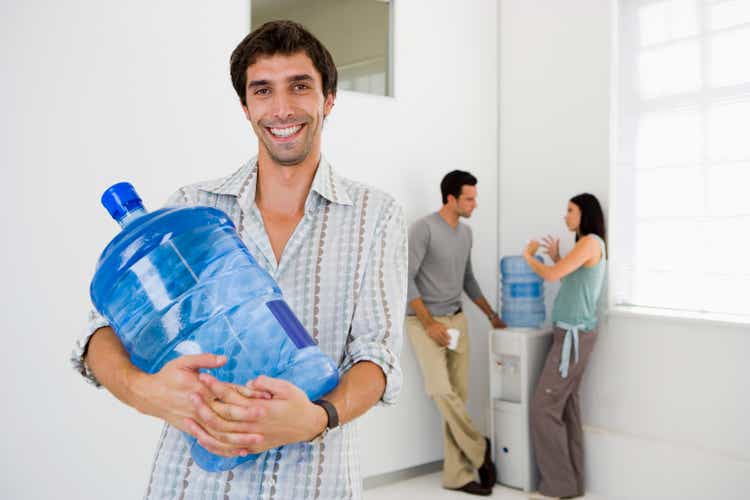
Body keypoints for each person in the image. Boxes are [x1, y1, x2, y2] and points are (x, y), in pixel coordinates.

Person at [70, 20, 407, 500]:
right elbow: (98, 332)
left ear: (328, 99)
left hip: (313, 483)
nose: (282, 108)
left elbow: (378, 355)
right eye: (263, 90)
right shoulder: (191, 210)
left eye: (300, 86)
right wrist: (145, 392)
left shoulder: (376, 216)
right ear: (246, 107)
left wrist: (317, 417)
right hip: (193, 483)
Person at [406, 170, 506, 496]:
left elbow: (468, 278)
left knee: (458, 397)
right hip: (424, 323)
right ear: (450, 198)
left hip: (457, 322)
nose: (475, 204)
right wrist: (430, 324)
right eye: (469, 198)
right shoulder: (424, 229)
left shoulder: (466, 234)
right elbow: (405, 279)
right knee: (440, 390)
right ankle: (480, 449)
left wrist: (491, 315)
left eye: (474, 198)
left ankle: (457, 476)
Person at [522, 193, 607, 499]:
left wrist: (529, 258)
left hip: (573, 337)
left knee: (543, 408)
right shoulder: (588, 246)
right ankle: (571, 484)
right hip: (571, 335)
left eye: (570, 211)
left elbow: (553, 275)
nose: (565, 216)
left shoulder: (590, 242)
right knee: (566, 407)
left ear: (585, 214)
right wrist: (559, 257)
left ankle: (557, 486)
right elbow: (572, 279)